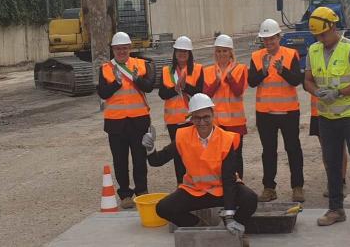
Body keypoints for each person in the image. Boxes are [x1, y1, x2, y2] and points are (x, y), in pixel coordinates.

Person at [144, 94, 257, 246]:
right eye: (197, 118)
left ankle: (235, 228)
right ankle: (198, 226)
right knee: (163, 208)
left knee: (250, 199)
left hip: (222, 190)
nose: (202, 122)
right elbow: (157, 161)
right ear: (191, 118)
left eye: (206, 117)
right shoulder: (182, 136)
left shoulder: (226, 139)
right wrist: (150, 149)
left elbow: (229, 180)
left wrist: (230, 215)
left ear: (213, 115)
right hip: (194, 191)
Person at [304, 7, 350, 233]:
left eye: (323, 34)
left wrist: (339, 93)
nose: (321, 39)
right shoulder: (313, 50)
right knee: (332, 164)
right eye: (317, 36)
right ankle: (336, 209)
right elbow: (308, 81)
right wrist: (316, 92)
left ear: (333, 27)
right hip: (327, 117)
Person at [248, 19, 305, 203]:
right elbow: (251, 82)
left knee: (293, 149)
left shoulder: (290, 54)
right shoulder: (257, 57)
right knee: (269, 151)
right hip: (265, 113)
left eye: (272, 39)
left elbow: (296, 80)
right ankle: (269, 188)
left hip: (288, 112)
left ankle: (297, 187)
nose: (269, 43)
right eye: (265, 39)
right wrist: (263, 71)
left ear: (279, 37)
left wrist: (283, 71)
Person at [97, 32, 155, 209]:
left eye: (124, 48)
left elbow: (150, 87)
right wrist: (116, 83)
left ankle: (141, 190)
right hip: (116, 124)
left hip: (138, 122)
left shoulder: (141, 65)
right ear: (113, 50)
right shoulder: (106, 68)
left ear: (130, 48)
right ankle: (125, 194)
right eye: (118, 49)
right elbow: (102, 93)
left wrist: (136, 79)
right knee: (120, 161)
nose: (121, 51)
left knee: (139, 159)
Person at [158, 35, 204, 184]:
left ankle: (195, 181)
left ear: (190, 53)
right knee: (177, 154)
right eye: (179, 51)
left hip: (192, 120)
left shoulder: (197, 69)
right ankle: (181, 183)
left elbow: (200, 92)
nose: (182, 53)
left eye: (185, 51)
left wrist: (185, 87)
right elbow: (162, 94)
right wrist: (175, 88)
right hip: (173, 121)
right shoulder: (166, 71)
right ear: (175, 52)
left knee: (193, 153)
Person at [203, 34, 248, 176]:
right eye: (218, 51)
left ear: (231, 52)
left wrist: (230, 79)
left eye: (224, 50)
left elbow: (238, 91)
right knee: (217, 157)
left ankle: (238, 184)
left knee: (235, 156)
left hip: (235, 122)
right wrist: (216, 82)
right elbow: (206, 95)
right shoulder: (208, 71)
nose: (221, 54)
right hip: (216, 123)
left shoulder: (240, 69)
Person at [309, 95, 349, 197]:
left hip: (339, 110)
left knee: (340, 148)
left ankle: (341, 183)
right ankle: (331, 182)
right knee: (326, 150)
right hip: (319, 111)